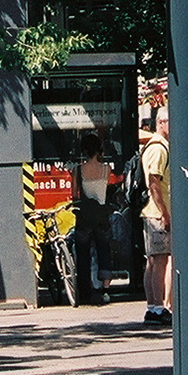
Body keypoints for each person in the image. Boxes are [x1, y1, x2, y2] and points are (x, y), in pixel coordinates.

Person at [73, 131, 114, 305]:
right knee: (103, 250)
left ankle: (85, 291)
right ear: (99, 150)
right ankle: (105, 289)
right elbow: (108, 188)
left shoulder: (78, 169)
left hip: (84, 216)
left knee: (83, 254)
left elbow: (74, 194)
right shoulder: (106, 169)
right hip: (102, 214)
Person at [141, 110, 172, 326]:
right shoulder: (159, 149)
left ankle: (153, 306)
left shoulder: (152, 145)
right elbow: (153, 181)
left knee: (153, 261)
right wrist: (164, 212)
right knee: (161, 260)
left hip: (151, 212)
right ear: (161, 123)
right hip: (157, 213)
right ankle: (160, 307)